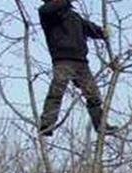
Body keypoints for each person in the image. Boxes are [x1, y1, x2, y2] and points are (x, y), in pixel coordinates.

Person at [38, 0, 118, 136]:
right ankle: (47, 124)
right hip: (63, 60)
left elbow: (89, 28)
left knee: (93, 95)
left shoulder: (74, 17)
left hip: (81, 62)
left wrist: (102, 32)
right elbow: (51, 7)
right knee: (56, 92)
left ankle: (100, 125)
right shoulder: (48, 13)